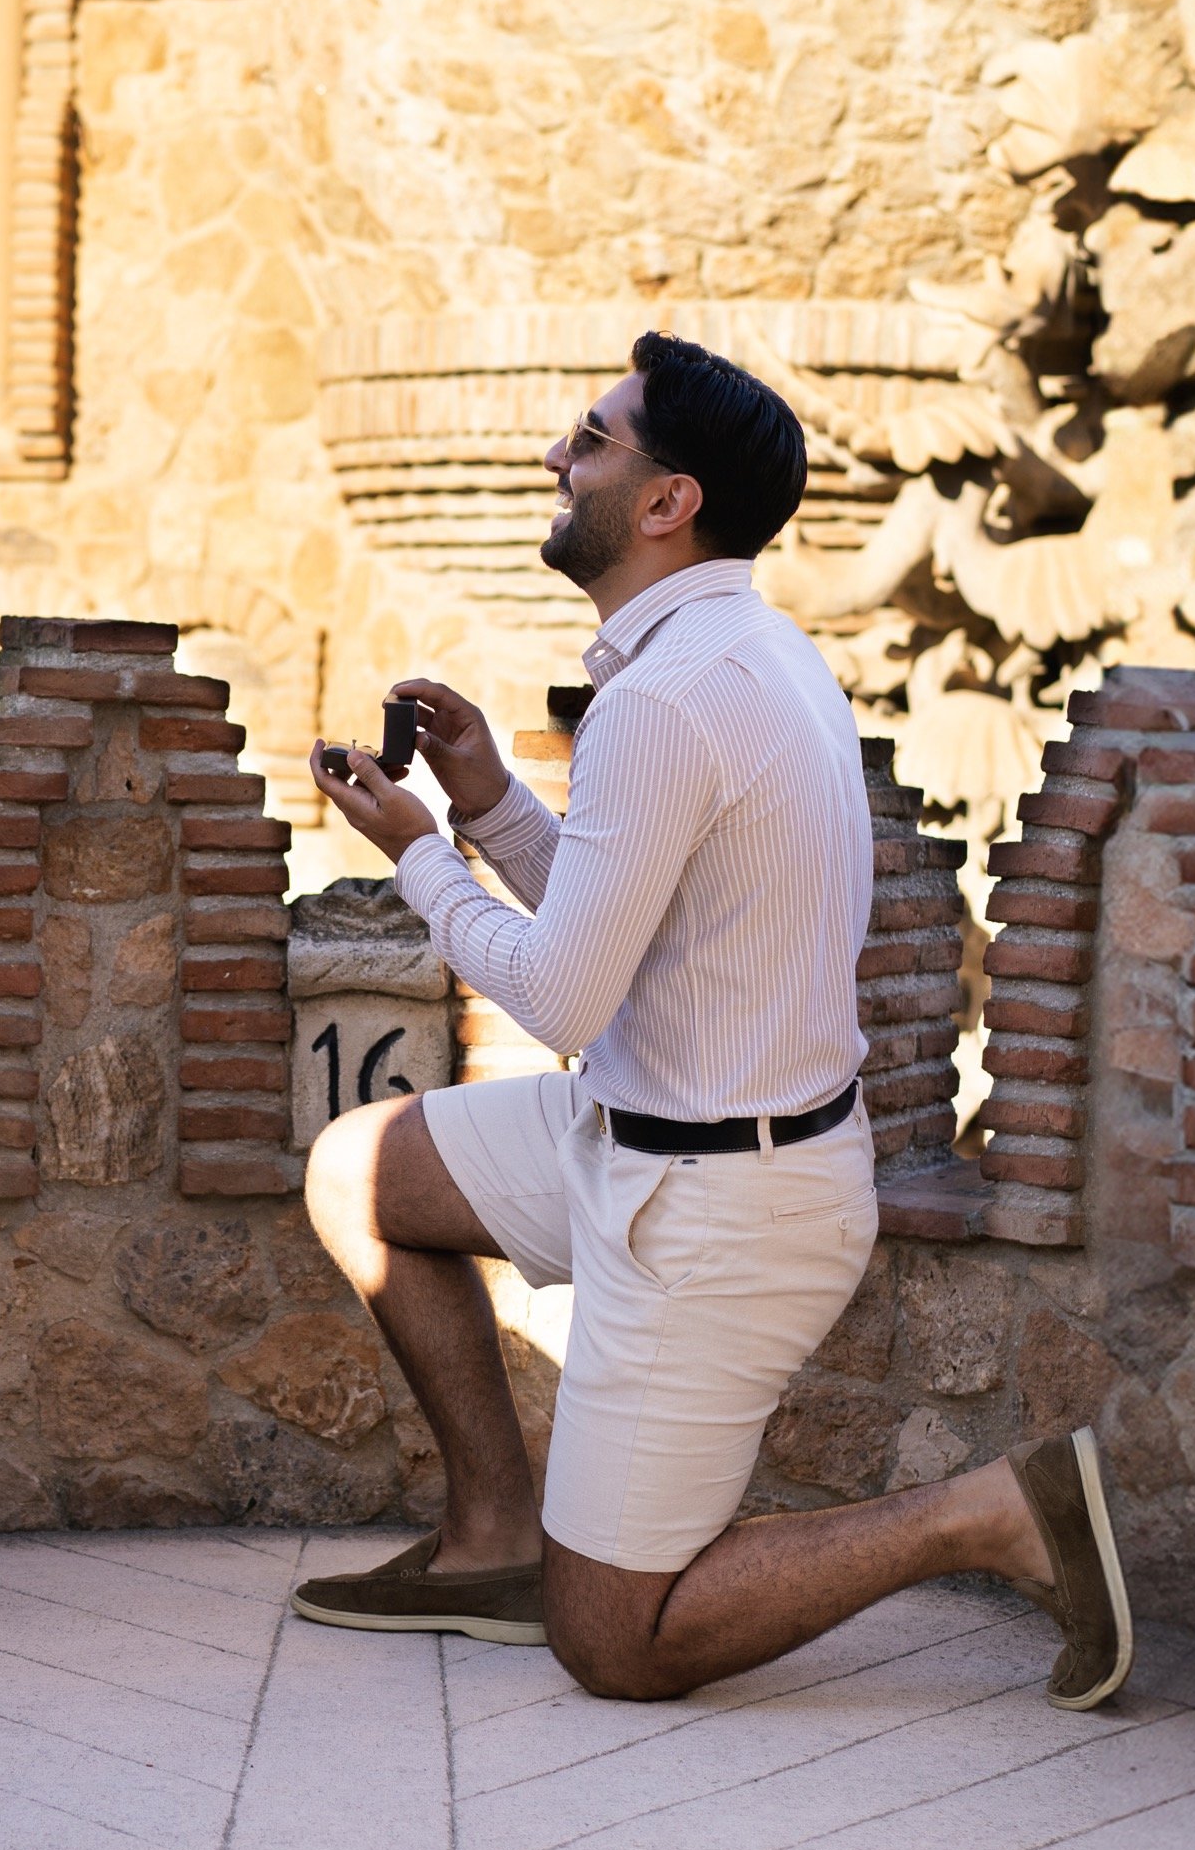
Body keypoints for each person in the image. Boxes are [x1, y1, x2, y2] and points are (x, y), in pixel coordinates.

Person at [298, 330, 1133, 1710]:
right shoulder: (739, 653)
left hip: (723, 1204)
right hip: (638, 1137)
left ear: (668, 500)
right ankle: (495, 1537)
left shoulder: (667, 697)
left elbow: (563, 993)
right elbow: (624, 938)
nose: (557, 457)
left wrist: (418, 855)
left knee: (615, 1646)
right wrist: (493, 799)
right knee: (362, 1171)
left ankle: (988, 1515)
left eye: (591, 436)